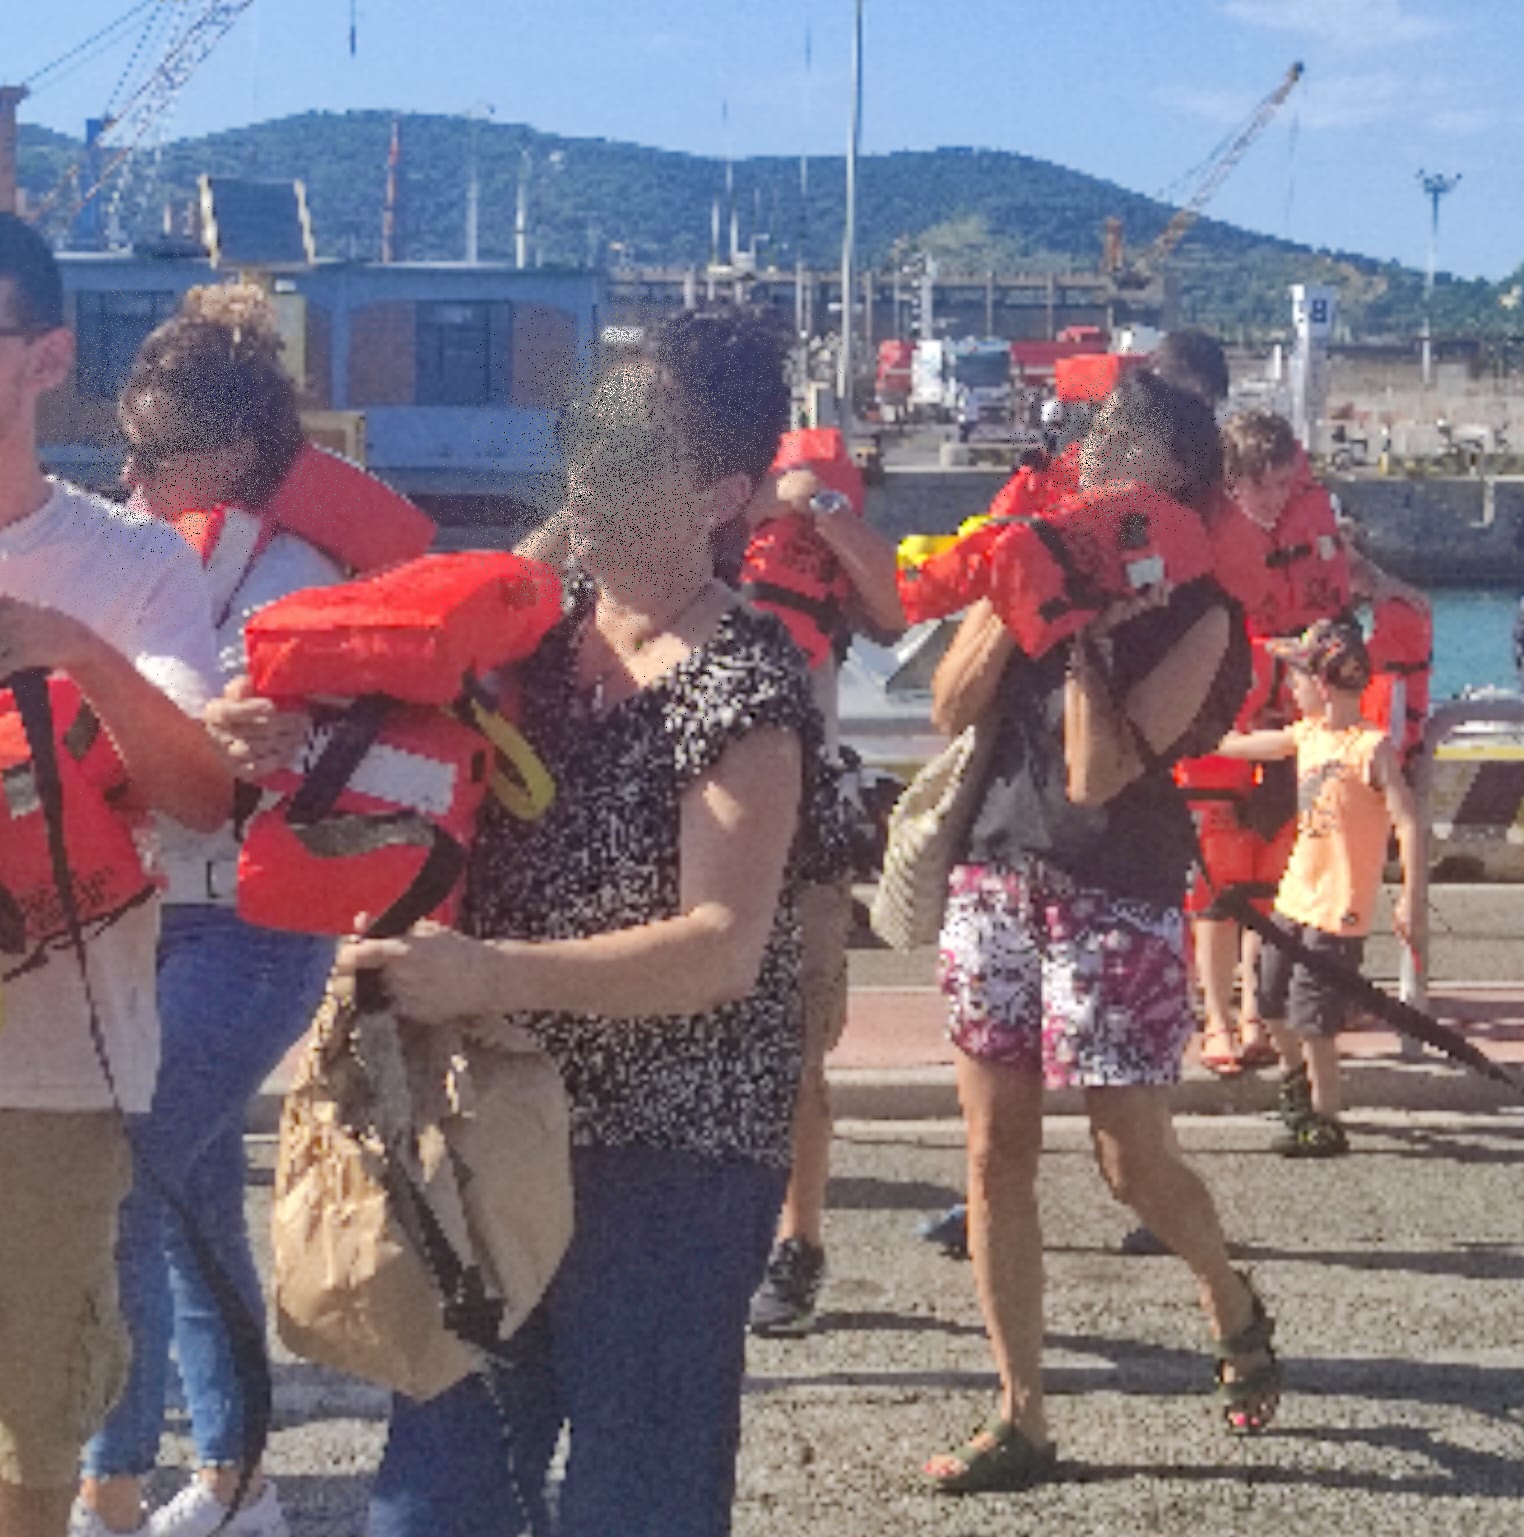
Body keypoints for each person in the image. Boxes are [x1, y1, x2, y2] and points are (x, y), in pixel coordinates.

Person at [225, 309, 828, 1537]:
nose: (594, 479)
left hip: (673, 1148)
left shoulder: (747, 680)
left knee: (636, 1492)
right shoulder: (523, 636)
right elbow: (387, 786)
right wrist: (281, 746)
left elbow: (720, 945)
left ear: (721, 491)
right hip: (491, 1118)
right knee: (435, 1489)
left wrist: (483, 970)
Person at [921, 369, 1276, 1494]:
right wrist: (1018, 587)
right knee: (992, 1154)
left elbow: (1093, 773)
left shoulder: (1204, 619)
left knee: (1128, 1160)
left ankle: (1225, 1290)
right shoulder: (1044, 560)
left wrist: (1083, 638)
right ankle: (1020, 1411)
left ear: (1178, 488)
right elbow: (946, 703)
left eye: (1131, 471)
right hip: (993, 874)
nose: (1106, 485)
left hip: (1111, 890)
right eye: (1097, 465)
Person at [73, 287, 363, 1537]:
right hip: (149, 922)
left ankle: (108, 1486)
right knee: (188, 1206)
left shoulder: (293, 585)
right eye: (124, 449)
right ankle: (242, 1484)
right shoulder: (150, 560)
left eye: (154, 451)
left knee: (118, 1190)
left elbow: (249, 771)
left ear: (232, 454)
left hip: (247, 935)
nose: (129, 473)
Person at [0, 215, 233, 1537]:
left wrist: (70, 650)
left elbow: (202, 800)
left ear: (45, 358)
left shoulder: (133, 567)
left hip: (48, 1079)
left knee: (31, 1446)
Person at [743, 445, 907, 1340]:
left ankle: (797, 1244)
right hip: (688, 816)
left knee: (801, 1052)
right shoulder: (703, 520)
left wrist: (828, 508)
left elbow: (894, 605)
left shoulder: (829, 539)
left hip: (805, 829)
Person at [1184, 408, 1351, 1076]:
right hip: (1219, 737)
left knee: (1271, 888)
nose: (1278, 499)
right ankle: (1218, 1018)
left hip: (1284, 735)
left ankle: (1256, 1009)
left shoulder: (1299, 535)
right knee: (1214, 894)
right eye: (1265, 486)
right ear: (1235, 481)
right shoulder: (1203, 542)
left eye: (1285, 484)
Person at [1216, 616, 1420, 1157]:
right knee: (1270, 1000)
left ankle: (1326, 1118)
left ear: (1322, 687)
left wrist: (1410, 895)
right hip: (1295, 897)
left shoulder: (1369, 748)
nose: (1291, 689)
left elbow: (1410, 821)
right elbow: (1249, 746)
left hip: (1338, 907)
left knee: (1315, 1020)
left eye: (1298, 679)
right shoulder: (1307, 735)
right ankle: (1295, 1085)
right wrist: (1201, 736)